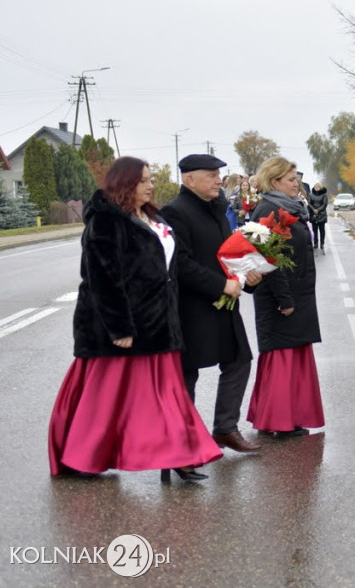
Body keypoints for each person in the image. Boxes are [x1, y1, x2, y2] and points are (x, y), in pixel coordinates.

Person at [48, 157, 222, 482]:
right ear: (126, 184)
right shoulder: (106, 221)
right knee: (104, 403)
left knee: (168, 397)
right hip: (118, 328)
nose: (151, 185)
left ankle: (182, 456)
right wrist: (120, 328)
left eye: (151, 179)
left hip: (158, 323)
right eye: (144, 181)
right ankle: (82, 457)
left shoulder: (152, 217)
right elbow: (101, 279)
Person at [161, 154, 263, 454]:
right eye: (211, 175)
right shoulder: (176, 212)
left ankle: (225, 428)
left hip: (224, 305)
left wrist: (246, 273)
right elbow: (180, 262)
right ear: (189, 179)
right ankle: (183, 441)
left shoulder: (217, 208)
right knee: (187, 373)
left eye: (219, 174)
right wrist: (221, 285)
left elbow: (224, 254)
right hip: (192, 308)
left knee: (239, 360)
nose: (219, 180)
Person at [247, 157, 325, 437]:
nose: (297, 183)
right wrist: (285, 299)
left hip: (296, 294)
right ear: (274, 182)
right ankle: (280, 421)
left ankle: (278, 418)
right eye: (291, 179)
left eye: (296, 178)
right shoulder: (268, 208)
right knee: (282, 360)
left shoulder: (291, 207)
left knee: (292, 358)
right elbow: (268, 259)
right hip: (281, 299)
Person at [308, 182, 328, 253]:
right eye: (315, 187)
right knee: (314, 230)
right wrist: (313, 209)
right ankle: (315, 243)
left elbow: (325, 204)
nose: (316, 188)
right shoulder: (311, 194)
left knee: (322, 230)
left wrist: (318, 210)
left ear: (320, 187)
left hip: (321, 214)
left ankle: (322, 243)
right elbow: (309, 203)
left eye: (318, 187)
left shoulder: (324, 195)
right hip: (313, 214)